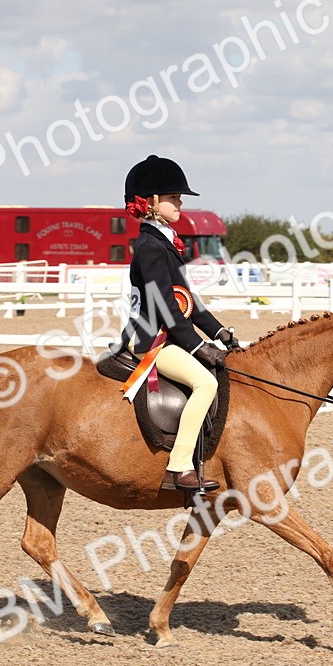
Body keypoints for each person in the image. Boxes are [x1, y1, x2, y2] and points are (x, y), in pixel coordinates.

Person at [116, 155, 239, 496]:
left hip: (167, 336)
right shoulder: (151, 247)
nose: (180, 203)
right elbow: (166, 308)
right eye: (173, 198)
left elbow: (188, 302)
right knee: (204, 383)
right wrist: (199, 347)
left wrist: (220, 334)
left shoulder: (164, 243)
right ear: (151, 202)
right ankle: (179, 467)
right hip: (151, 341)